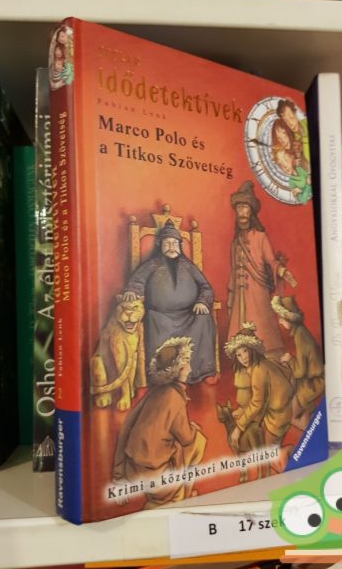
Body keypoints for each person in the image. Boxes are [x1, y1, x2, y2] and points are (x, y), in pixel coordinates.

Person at [111, 337, 207, 508]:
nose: (190, 368)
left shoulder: (154, 392)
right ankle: (179, 495)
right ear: (178, 369)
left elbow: (126, 429)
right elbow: (186, 438)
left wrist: (118, 477)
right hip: (157, 477)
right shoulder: (175, 397)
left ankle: (179, 493)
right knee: (199, 441)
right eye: (187, 363)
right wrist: (192, 429)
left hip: (131, 471)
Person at [123, 219, 217, 383]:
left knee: (203, 319)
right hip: (160, 316)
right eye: (167, 243)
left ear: (180, 245)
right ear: (160, 245)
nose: (172, 247)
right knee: (152, 319)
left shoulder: (188, 266)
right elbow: (137, 281)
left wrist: (202, 302)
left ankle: (199, 372)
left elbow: (205, 287)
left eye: (175, 243)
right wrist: (132, 290)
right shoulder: (151, 265)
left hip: (189, 314)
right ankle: (162, 376)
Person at [227, 180, 297, 359]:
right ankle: (244, 357)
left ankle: (268, 357)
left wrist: (282, 272)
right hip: (239, 295)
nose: (242, 212)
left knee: (262, 329)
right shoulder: (235, 242)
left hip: (258, 291)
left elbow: (271, 261)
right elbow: (233, 271)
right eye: (239, 207)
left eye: (245, 207)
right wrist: (231, 295)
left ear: (251, 211)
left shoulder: (260, 237)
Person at [224, 323, 294, 473]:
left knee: (270, 458)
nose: (243, 357)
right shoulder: (265, 362)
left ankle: (292, 453)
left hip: (277, 417)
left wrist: (238, 428)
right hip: (280, 412)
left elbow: (257, 403)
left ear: (253, 349)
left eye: (245, 351)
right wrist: (286, 363)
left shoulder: (258, 370)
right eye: (238, 355)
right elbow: (287, 373)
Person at [271, 295, 325, 431]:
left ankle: (313, 434)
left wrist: (289, 360)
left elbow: (300, 371)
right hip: (311, 379)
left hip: (314, 382)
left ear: (290, 319)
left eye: (282, 318)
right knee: (302, 413)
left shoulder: (300, 336)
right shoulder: (300, 332)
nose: (280, 321)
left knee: (291, 416)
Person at [276, 99, 311, 168]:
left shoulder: (309, 122)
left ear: (295, 113)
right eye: (286, 121)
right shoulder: (294, 142)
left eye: (291, 117)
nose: (290, 124)